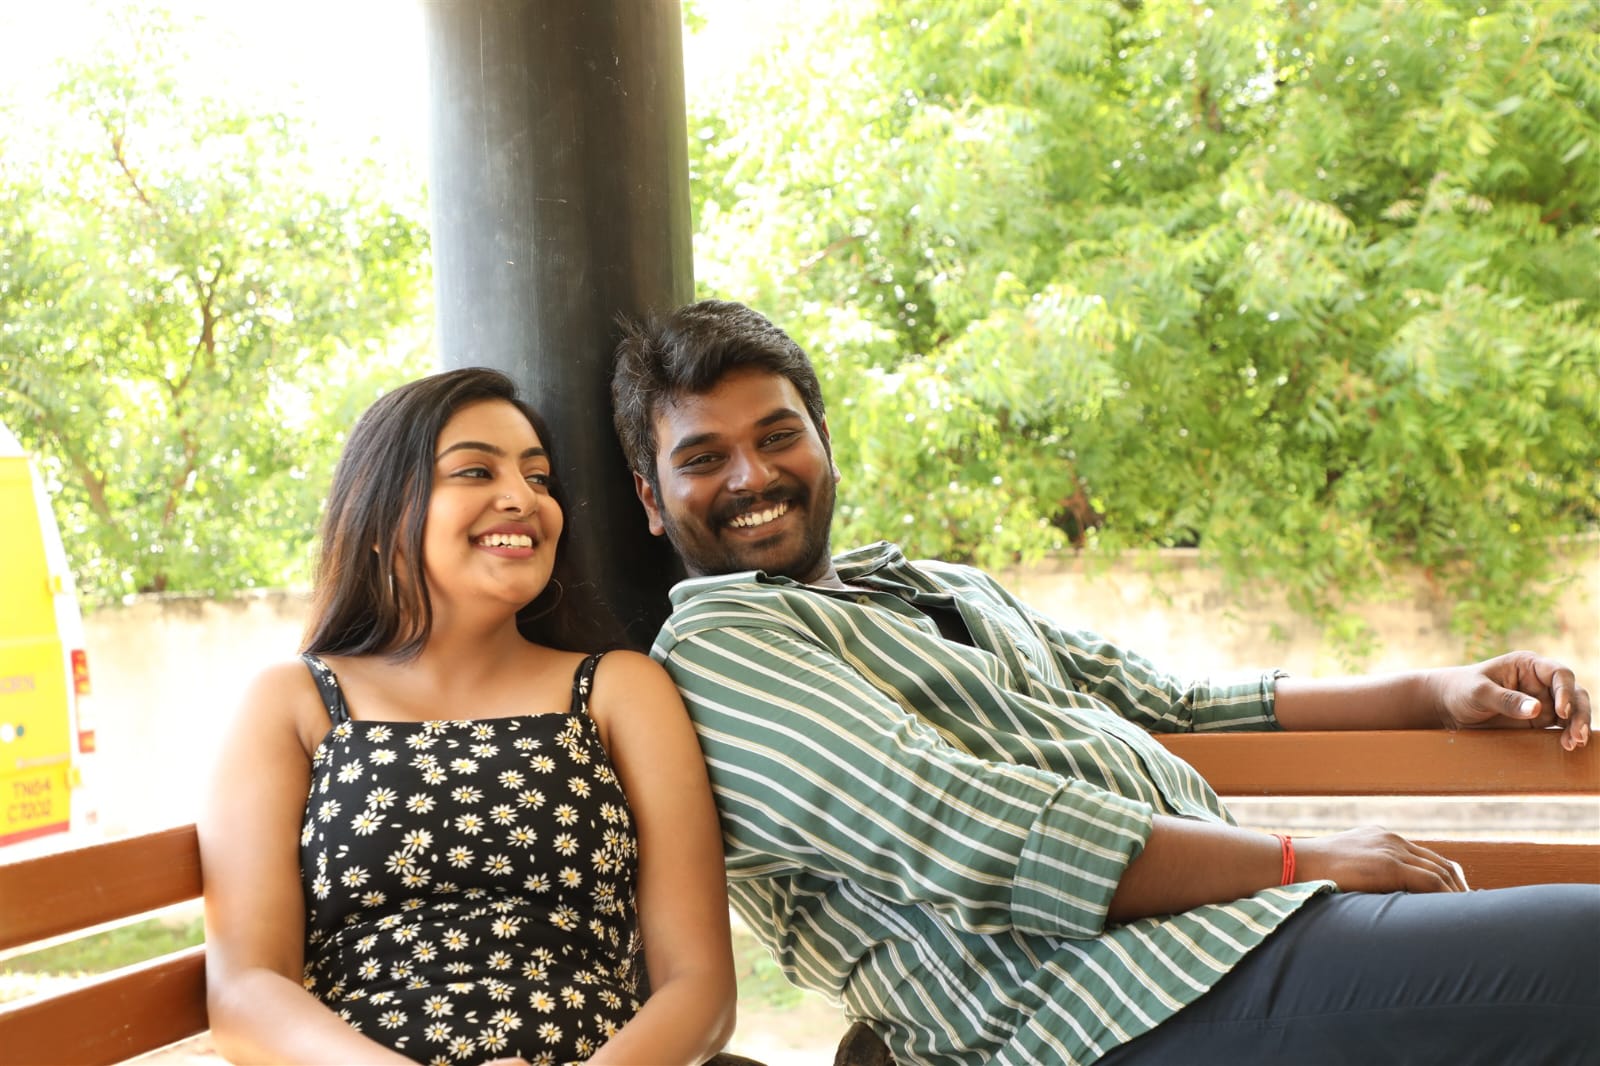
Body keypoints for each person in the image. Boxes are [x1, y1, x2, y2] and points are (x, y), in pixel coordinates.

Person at [608, 299, 1600, 1066]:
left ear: (823, 439)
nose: (751, 475)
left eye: (776, 435)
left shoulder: (934, 588)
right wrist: (1302, 857)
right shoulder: (722, 645)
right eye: (705, 458)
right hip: (1091, 1013)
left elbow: (1173, 704)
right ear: (653, 500)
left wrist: (1433, 692)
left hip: (1233, 949)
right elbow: (960, 826)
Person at [199, 367, 736, 1065]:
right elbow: (245, 989)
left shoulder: (618, 692)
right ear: (379, 513)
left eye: (538, 478)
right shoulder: (294, 702)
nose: (522, 498)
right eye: (476, 472)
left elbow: (700, 987)